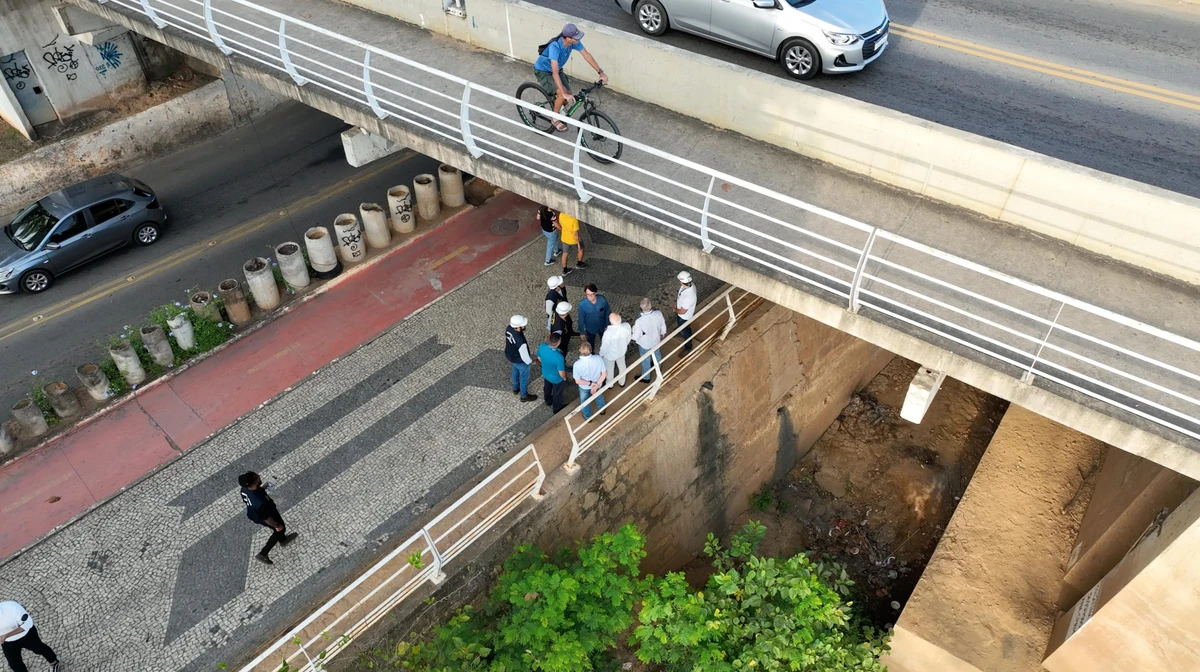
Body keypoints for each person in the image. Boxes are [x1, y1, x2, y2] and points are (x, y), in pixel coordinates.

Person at [533, 23, 608, 132]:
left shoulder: (573, 43)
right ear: (567, 38)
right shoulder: (555, 47)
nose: (578, 40)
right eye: (575, 38)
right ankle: (555, 119)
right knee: (562, 94)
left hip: (557, 70)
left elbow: (586, 55)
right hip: (543, 71)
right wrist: (562, 93)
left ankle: (558, 104)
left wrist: (601, 72)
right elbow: (554, 73)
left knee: (569, 95)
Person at [238, 471, 298, 565]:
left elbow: (256, 493)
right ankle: (263, 553)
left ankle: (282, 539)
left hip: (256, 512)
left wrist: (264, 487)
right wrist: (277, 525)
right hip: (266, 514)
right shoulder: (260, 503)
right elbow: (267, 518)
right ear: (254, 482)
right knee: (280, 528)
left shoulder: (245, 489)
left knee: (278, 528)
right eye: (256, 477)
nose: (259, 476)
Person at [0, 601, 58, 672]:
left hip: (26, 635)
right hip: (7, 642)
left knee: (39, 649)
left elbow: (26, 625)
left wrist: (6, 635)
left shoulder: (13, 608)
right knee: (14, 664)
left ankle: (54, 662)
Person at [631, 297, 667, 383]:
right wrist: (663, 332)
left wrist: (631, 337)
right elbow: (662, 324)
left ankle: (646, 377)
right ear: (651, 306)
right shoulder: (658, 314)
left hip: (645, 344)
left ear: (641, 308)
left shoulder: (639, 321)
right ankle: (658, 366)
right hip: (656, 340)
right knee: (657, 353)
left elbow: (636, 336)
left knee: (645, 359)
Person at [572, 342, 607, 420]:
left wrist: (590, 384)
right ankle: (602, 410)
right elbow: (604, 374)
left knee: (584, 401)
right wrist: (596, 385)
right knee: (599, 396)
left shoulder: (577, 364)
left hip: (584, 386)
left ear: (580, 350)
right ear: (591, 350)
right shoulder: (598, 358)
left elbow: (577, 381)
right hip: (597, 383)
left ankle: (588, 416)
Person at [505, 315, 538, 402]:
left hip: (511, 355)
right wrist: (532, 361)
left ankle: (515, 388)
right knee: (524, 377)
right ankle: (524, 395)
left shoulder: (509, 328)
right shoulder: (520, 341)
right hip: (520, 360)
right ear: (518, 327)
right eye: (523, 325)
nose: (524, 326)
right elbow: (525, 357)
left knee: (515, 369)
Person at [537, 333, 569, 413]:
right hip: (556, 379)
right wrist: (564, 378)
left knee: (547, 387)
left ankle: (547, 400)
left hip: (545, 373)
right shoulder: (559, 357)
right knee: (557, 393)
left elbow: (539, 358)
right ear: (558, 343)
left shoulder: (542, 346)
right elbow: (561, 372)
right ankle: (557, 408)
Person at [599, 311, 632, 388]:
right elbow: (628, 339)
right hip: (621, 352)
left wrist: (600, 355)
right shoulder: (626, 326)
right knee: (622, 367)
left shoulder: (608, 333)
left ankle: (610, 384)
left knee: (609, 370)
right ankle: (622, 382)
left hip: (609, 356)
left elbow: (604, 347)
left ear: (610, 321)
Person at [576, 283, 610, 351]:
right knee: (590, 342)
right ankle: (591, 354)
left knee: (605, 341)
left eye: (592, 294)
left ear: (596, 292)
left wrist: (608, 325)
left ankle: (606, 352)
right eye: (588, 295)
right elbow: (581, 319)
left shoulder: (603, 300)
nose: (590, 297)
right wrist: (581, 332)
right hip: (590, 328)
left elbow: (608, 313)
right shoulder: (582, 305)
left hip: (602, 326)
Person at [675, 271, 698, 353]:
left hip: (684, 317)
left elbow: (682, 311)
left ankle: (688, 347)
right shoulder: (691, 285)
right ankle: (682, 333)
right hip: (683, 315)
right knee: (683, 329)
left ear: (682, 281)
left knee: (686, 331)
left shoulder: (689, 297)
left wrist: (675, 310)